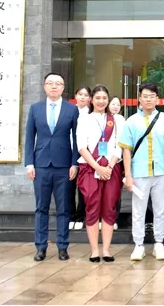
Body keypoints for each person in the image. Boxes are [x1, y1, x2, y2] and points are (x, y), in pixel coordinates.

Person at [24, 72, 79, 262]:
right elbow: (30, 137)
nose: (54, 86)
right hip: (41, 166)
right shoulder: (35, 109)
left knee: (64, 208)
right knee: (41, 208)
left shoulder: (72, 110)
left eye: (58, 84)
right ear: (44, 86)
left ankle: (63, 246)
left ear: (63, 88)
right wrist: (29, 163)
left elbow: (76, 138)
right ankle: (41, 247)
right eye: (50, 83)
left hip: (64, 166)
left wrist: (74, 163)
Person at [119, 83, 164, 261]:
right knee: (138, 210)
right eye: (145, 96)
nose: (149, 99)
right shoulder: (131, 121)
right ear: (139, 99)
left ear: (157, 99)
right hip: (139, 172)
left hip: (160, 172)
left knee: (160, 209)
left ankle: (159, 243)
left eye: (152, 96)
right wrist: (128, 175)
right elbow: (126, 150)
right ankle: (139, 245)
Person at [76, 86, 125, 263]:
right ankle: (94, 250)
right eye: (98, 98)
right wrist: (98, 167)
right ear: (91, 100)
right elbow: (82, 147)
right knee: (92, 207)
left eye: (105, 98)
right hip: (90, 169)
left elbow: (120, 145)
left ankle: (106, 249)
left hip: (112, 170)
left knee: (109, 208)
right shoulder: (84, 119)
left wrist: (110, 166)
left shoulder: (117, 120)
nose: (101, 101)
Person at [70, 86, 92, 231]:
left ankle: (80, 214)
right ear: (76, 96)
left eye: (86, 95)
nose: (83, 97)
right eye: (80, 94)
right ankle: (71, 215)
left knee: (83, 187)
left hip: (86, 152)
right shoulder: (69, 111)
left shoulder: (91, 113)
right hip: (69, 151)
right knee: (69, 186)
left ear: (90, 98)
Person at [107, 96, 123, 231]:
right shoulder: (101, 118)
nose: (116, 106)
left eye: (118, 104)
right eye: (113, 104)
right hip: (101, 161)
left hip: (117, 161)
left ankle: (114, 218)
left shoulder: (122, 120)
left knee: (115, 192)